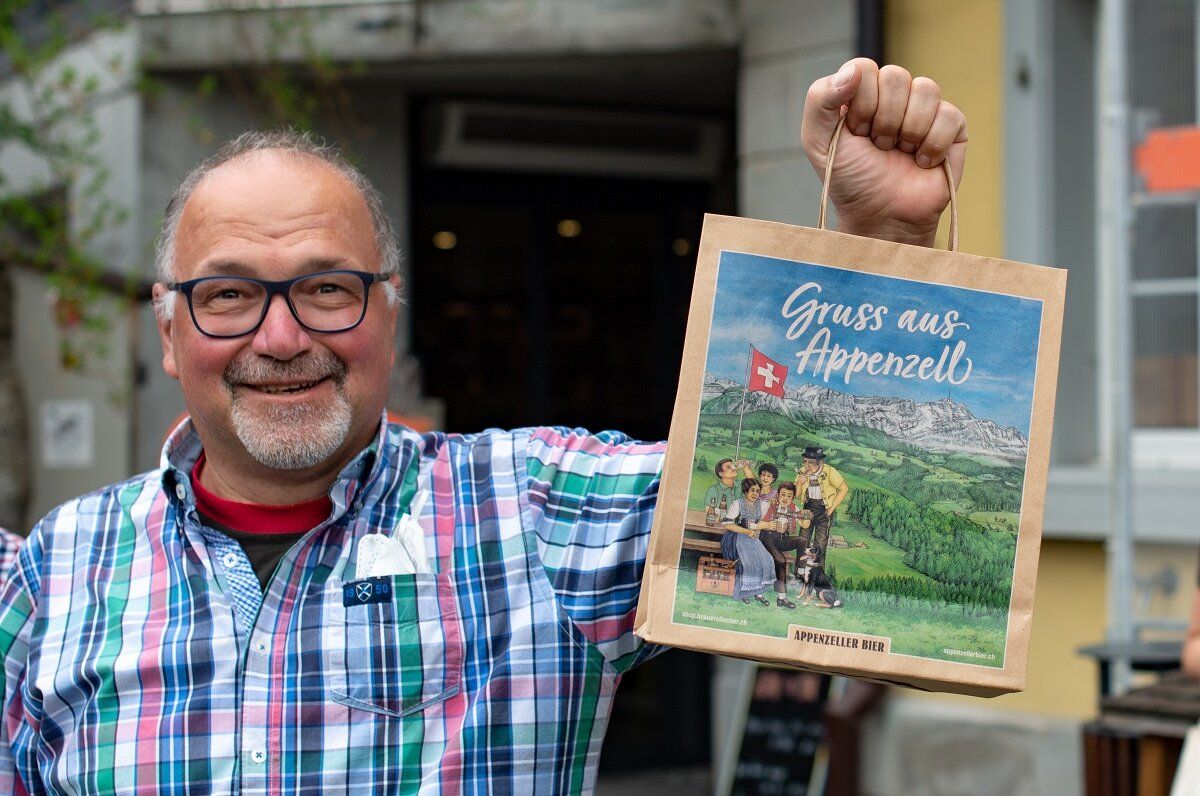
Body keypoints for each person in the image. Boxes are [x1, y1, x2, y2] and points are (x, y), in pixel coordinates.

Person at [0, 59, 966, 793]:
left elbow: (863, 549)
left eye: (327, 289)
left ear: (388, 313)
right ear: (171, 332)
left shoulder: (538, 515)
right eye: (229, 296)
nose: (282, 335)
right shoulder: (55, 574)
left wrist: (882, 247)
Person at [720, 479, 776, 606]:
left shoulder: (762, 505)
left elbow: (762, 523)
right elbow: (728, 525)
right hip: (735, 538)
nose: (755, 493)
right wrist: (746, 531)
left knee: (767, 560)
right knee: (749, 562)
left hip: (752, 538)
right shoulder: (737, 504)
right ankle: (744, 593)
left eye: (757, 491)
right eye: (752, 490)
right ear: (745, 491)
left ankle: (758, 593)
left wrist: (765, 526)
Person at [796, 445, 849, 565]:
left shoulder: (829, 471)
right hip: (808, 508)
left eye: (811, 462)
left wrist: (830, 510)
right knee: (803, 540)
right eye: (805, 462)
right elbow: (796, 494)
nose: (807, 465)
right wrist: (799, 483)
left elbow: (844, 489)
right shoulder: (802, 471)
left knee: (820, 543)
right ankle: (799, 571)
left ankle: (817, 575)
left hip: (824, 509)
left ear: (820, 462)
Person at [760, 481, 807, 608]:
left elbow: (805, 525)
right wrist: (770, 524)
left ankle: (800, 572)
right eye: (783, 495)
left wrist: (805, 516)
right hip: (768, 537)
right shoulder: (770, 504)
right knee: (781, 560)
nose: (785, 498)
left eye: (789, 496)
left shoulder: (794, 508)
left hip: (782, 539)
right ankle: (781, 598)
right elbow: (759, 522)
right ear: (778, 495)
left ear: (793, 497)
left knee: (802, 540)